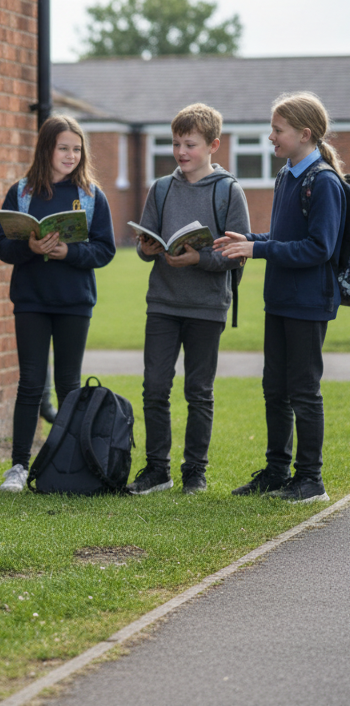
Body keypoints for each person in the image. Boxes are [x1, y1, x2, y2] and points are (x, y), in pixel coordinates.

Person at [216, 92, 345, 503]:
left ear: (305, 134)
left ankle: (311, 480)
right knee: (275, 388)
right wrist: (249, 240)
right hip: (281, 300)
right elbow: (284, 238)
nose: (270, 136)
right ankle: (276, 472)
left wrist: (260, 250)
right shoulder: (288, 175)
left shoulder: (323, 181)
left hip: (310, 302)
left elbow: (318, 248)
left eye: (277, 130)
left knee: (304, 390)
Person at [130, 103, 250, 496]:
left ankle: (194, 473)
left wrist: (200, 258)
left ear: (213, 145)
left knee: (199, 392)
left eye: (191, 145)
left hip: (207, 307)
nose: (181, 152)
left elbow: (238, 252)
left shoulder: (229, 191)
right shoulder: (161, 189)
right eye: (176, 143)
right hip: (163, 303)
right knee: (154, 388)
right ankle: (157, 470)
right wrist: (147, 248)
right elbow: (145, 245)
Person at [0, 115, 116, 492]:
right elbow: (2, 246)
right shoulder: (22, 191)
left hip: (74, 302)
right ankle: (17, 466)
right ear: (46, 149)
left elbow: (105, 249)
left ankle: (71, 461)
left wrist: (69, 252)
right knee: (30, 383)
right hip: (30, 300)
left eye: (76, 149)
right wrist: (29, 247)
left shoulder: (93, 195)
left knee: (68, 384)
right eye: (63, 148)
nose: (70, 155)